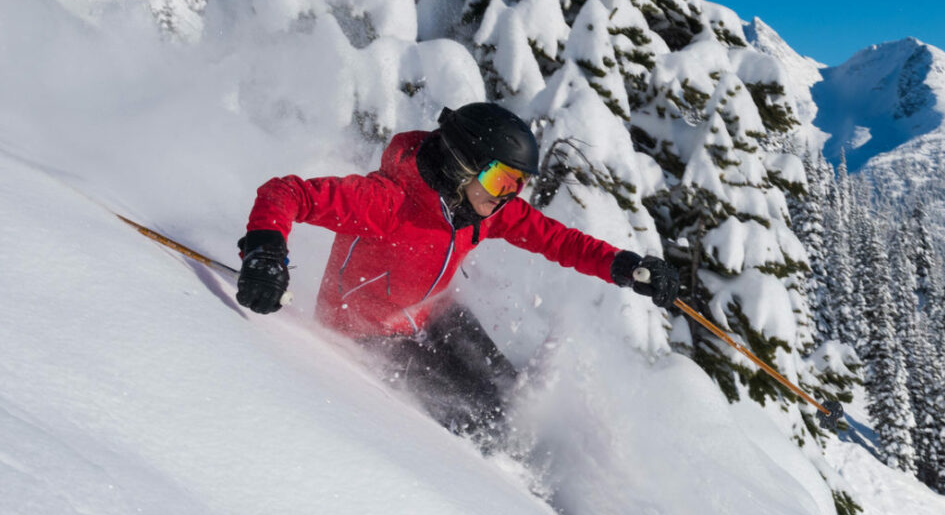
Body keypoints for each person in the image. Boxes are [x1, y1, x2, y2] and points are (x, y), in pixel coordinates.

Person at [234, 103, 682, 446]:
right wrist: (265, 251)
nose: (508, 197)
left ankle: (531, 465)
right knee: (475, 419)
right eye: (501, 181)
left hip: (433, 316)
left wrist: (625, 266)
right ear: (461, 163)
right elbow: (287, 193)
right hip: (369, 339)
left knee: (512, 399)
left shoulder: (480, 212)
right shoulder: (386, 201)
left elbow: (557, 240)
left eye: (518, 185)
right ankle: (489, 487)